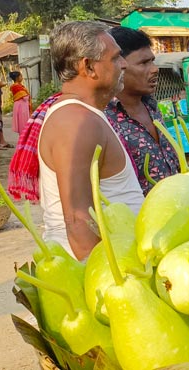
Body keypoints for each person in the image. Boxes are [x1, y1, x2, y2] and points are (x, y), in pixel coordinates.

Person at [37, 21, 144, 260]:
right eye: (116, 58)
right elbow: (78, 219)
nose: (124, 64)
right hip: (95, 271)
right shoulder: (76, 121)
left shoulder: (85, 115)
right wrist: (108, 282)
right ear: (89, 66)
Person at [106, 26, 179, 195]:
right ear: (118, 65)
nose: (155, 69)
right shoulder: (104, 118)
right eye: (144, 63)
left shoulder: (152, 106)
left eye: (152, 61)